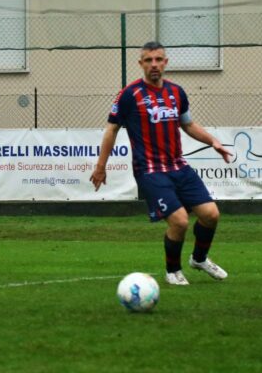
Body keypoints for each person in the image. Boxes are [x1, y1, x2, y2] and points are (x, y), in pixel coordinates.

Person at [89, 41, 233, 286]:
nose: (154, 65)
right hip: (150, 170)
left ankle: (199, 259)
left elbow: (187, 124)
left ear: (166, 62)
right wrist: (101, 166)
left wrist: (213, 141)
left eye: (158, 59)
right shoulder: (129, 95)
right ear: (141, 64)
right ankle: (172, 271)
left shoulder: (177, 92)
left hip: (178, 166)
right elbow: (111, 129)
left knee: (211, 215)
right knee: (179, 221)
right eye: (148, 60)